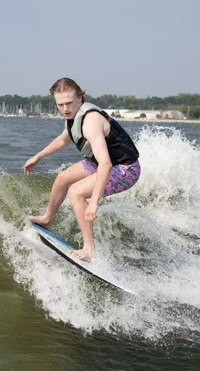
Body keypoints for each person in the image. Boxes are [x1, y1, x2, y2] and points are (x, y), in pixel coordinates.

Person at [23, 77, 140, 262]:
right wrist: (38, 156)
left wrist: (93, 201)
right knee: (63, 178)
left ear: (80, 98)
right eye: (60, 105)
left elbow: (106, 164)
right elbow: (63, 139)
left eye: (69, 103)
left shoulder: (91, 121)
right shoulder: (71, 117)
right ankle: (47, 218)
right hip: (101, 162)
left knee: (76, 192)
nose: (65, 109)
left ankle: (89, 249)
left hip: (125, 168)